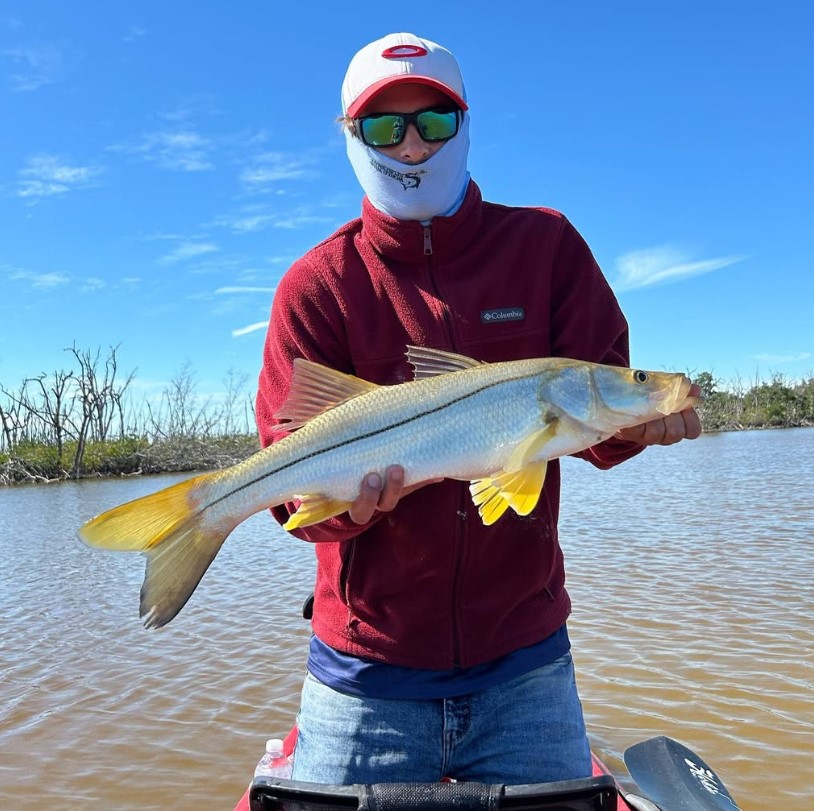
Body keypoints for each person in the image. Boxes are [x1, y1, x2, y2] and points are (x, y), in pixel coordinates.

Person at [255, 32, 701, 785]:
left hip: (527, 666)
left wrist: (640, 421)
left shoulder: (547, 246)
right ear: (350, 136)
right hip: (366, 673)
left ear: (464, 125)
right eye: (384, 126)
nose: (412, 145)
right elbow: (292, 497)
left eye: (433, 121)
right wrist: (346, 510)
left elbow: (596, 431)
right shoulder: (318, 284)